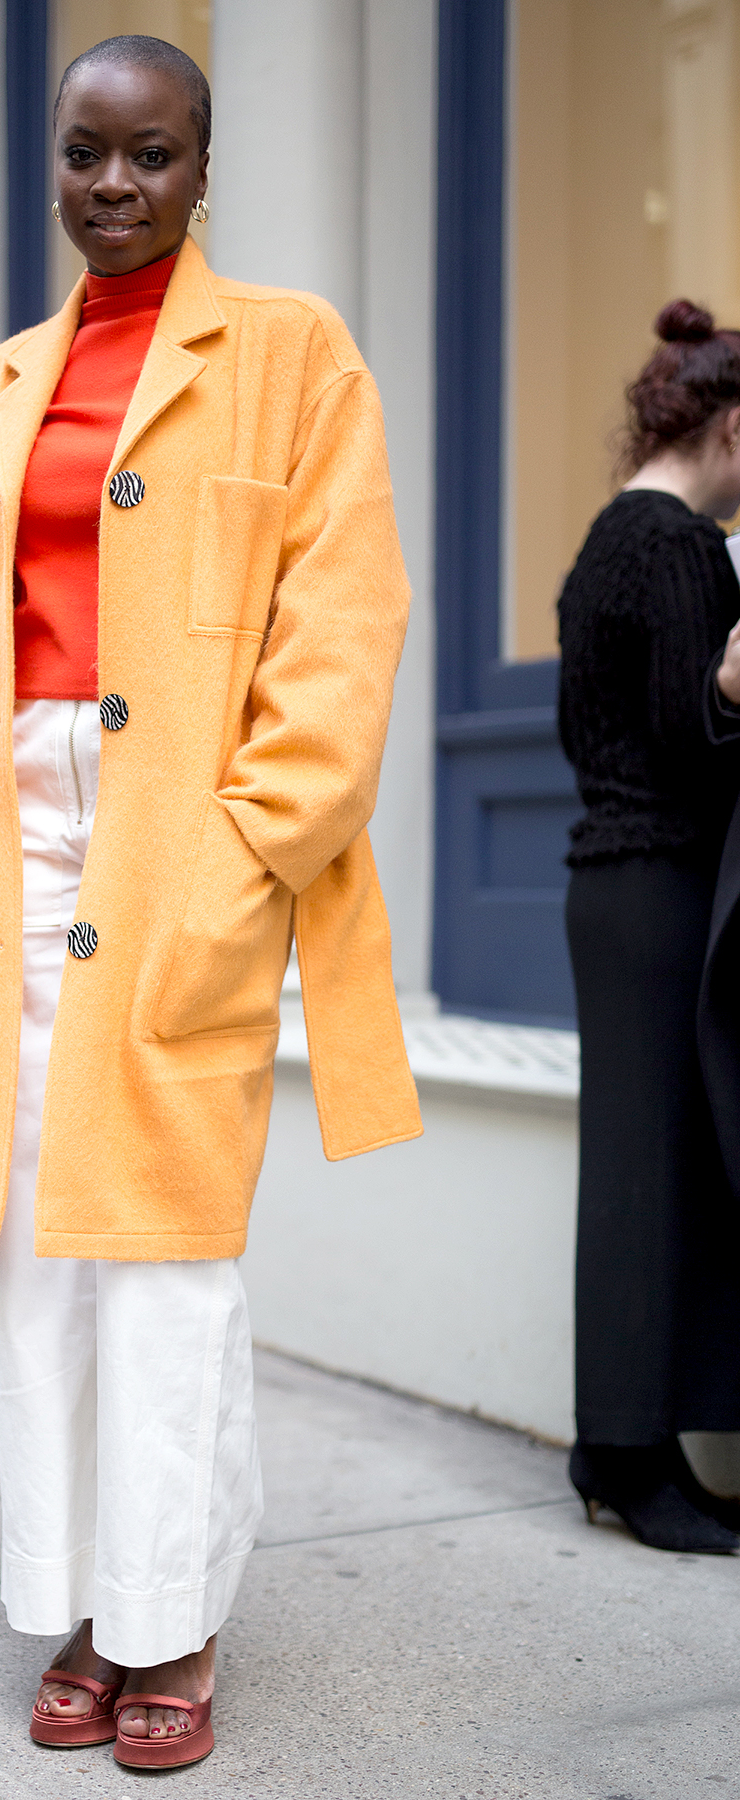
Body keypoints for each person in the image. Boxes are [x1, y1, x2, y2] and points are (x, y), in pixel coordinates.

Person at [0, 35, 420, 1769]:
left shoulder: (293, 355)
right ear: (52, 162)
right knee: (44, 1241)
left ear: (202, 165)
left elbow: (342, 634)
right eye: (86, 153)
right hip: (17, 836)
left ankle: (168, 1617)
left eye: (153, 153)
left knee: (167, 1254)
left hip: (183, 840)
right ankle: (81, 1601)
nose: (115, 184)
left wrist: (249, 853)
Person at [559, 297, 740, 1555]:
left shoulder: (605, 540)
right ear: (729, 428)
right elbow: (691, 741)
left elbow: (596, 731)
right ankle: (632, 1461)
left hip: (610, 883)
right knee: (651, 1175)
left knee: (638, 1166)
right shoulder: (679, 546)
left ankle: (619, 1449)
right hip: (661, 884)